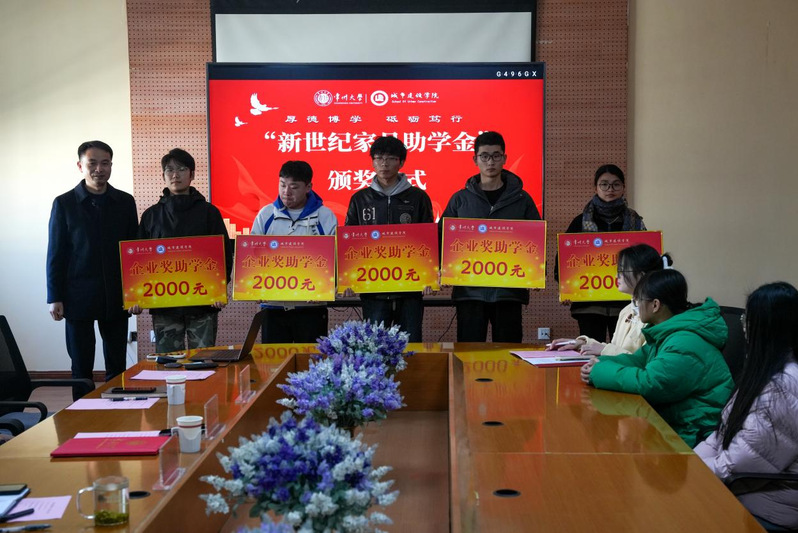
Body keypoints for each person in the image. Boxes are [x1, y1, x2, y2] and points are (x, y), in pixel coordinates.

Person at [581, 269, 733, 447]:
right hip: (675, 420)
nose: (636, 306)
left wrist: (598, 372)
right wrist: (600, 363)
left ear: (655, 305)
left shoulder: (685, 342)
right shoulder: (668, 333)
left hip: (695, 431)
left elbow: (650, 383)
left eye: (638, 301)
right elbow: (638, 360)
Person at [695, 282, 798, 531]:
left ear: (766, 328)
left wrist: (693, 473)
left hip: (767, 505)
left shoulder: (783, 387)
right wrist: (689, 461)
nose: (743, 327)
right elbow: (721, 434)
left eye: (747, 320)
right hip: (746, 487)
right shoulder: (765, 370)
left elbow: (743, 462)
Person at [47, 141, 139, 399]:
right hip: (78, 296)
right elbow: (56, 253)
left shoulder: (125, 202)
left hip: (116, 295)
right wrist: (54, 296)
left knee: (117, 364)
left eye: (105, 163)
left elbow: (134, 251)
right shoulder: (64, 203)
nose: (99, 169)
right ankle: (80, 413)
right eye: (93, 163)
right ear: (80, 166)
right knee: (81, 365)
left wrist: (136, 293)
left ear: (111, 165)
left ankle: (118, 411)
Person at [440, 131, 541, 342]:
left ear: (504, 158)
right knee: (468, 353)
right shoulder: (460, 200)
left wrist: (538, 272)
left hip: (508, 291)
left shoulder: (522, 199)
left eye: (496, 156)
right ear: (475, 159)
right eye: (484, 156)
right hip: (469, 291)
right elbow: (442, 238)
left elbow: (536, 241)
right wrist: (441, 270)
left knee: (508, 352)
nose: (490, 162)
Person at [136, 148, 233, 352]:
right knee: (168, 362)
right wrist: (136, 295)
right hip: (164, 305)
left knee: (203, 360)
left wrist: (220, 288)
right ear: (163, 176)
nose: (175, 175)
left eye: (181, 169)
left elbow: (223, 254)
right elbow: (139, 261)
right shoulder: (151, 215)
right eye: (169, 170)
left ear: (192, 174)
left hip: (203, 303)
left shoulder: (209, 212)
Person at [344, 136, 434, 342]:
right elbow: (349, 243)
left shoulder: (418, 197)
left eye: (391, 158)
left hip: (410, 290)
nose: (384, 163)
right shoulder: (360, 199)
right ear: (372, 162)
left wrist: (429, 276)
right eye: (378, 158)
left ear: (401, 162)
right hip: (373, 291)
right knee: (374, 348)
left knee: (410, 348)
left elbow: (429, 241)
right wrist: (347, 277)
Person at [557, 164, 646, 342]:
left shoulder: (635, 221)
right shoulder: (580, 222)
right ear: (595, 188)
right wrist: (565, 287)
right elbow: (563, 259)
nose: (610, 189)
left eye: (616, 184)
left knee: (622, 351)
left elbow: (646, 258)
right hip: (588, 304)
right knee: (589, 350)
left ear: (623, 187)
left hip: (625, 303)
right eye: (604, 184)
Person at [251, 160, 337, 343]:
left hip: (311, 307)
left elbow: (336, 259)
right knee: (274, 359)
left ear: (308, 187)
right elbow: (253, 256)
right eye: (282, 185)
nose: (286, 192)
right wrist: (253, 288)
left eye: (294, 187)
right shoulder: (266, 215)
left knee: (311, 359)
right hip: (273, 307)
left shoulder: (325, 216)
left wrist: (326, 287)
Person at [552, 244, 671, 355]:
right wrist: (582, 343)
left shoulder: (657, 313)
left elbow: (645, 360)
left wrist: (604, 350)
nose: (616, 276)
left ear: (642, 275)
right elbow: (615, 348)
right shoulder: (626, 311)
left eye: (622, 270)